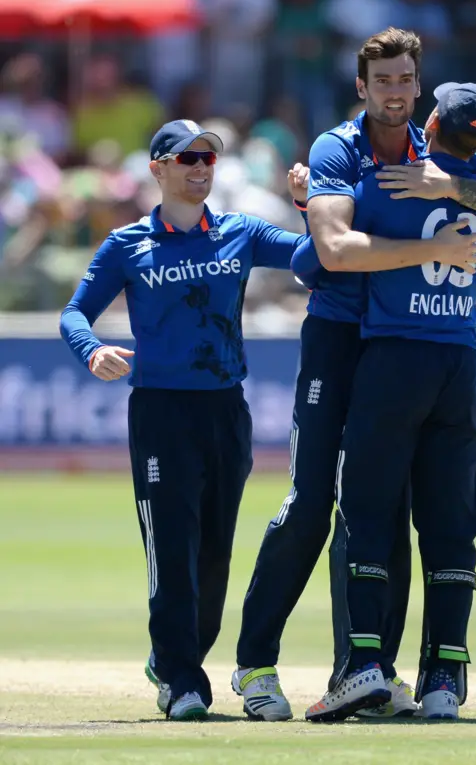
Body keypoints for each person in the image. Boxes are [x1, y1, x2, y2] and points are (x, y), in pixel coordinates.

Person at [232, 28, 476, 723]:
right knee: (316, 502)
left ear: (419, 87)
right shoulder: (339, 147)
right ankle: (256, 663)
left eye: (407, 81)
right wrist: (426, 243)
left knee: (387, 505)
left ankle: (368, 670)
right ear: (362, 88)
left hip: (399, 340)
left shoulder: (442, 150)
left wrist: (450, 182)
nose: (397, 93)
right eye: (385, 83)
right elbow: (336, 250)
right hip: (342, 332)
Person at [59, 119, 309, 722]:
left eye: (208, 159)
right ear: (158, 169)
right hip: (161, 411)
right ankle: (180, 679)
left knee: (213, 553)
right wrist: (92, 350)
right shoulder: (127, 245)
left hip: (226, 409)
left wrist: (307, 205)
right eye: (188, 158)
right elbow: (74, 314)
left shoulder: (239, 233)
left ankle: (174, 657)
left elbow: (313, 259)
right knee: (170, 548)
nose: (201, 168)